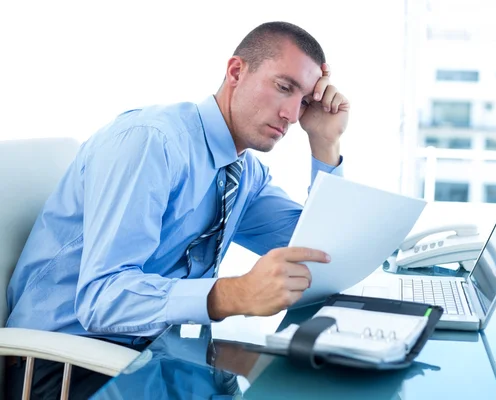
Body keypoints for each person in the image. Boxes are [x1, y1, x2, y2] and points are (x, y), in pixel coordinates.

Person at [5, 21, 349, 399]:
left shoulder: (244, 173)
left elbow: (320, 250)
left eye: (303, 101)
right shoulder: (152, 143)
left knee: (311, 384)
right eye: (283, 87)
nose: (291, 114)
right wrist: (230, 294)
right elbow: (101, 298)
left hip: (156, 351)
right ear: (236, 71)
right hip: (64, 366)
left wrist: (324, 141)